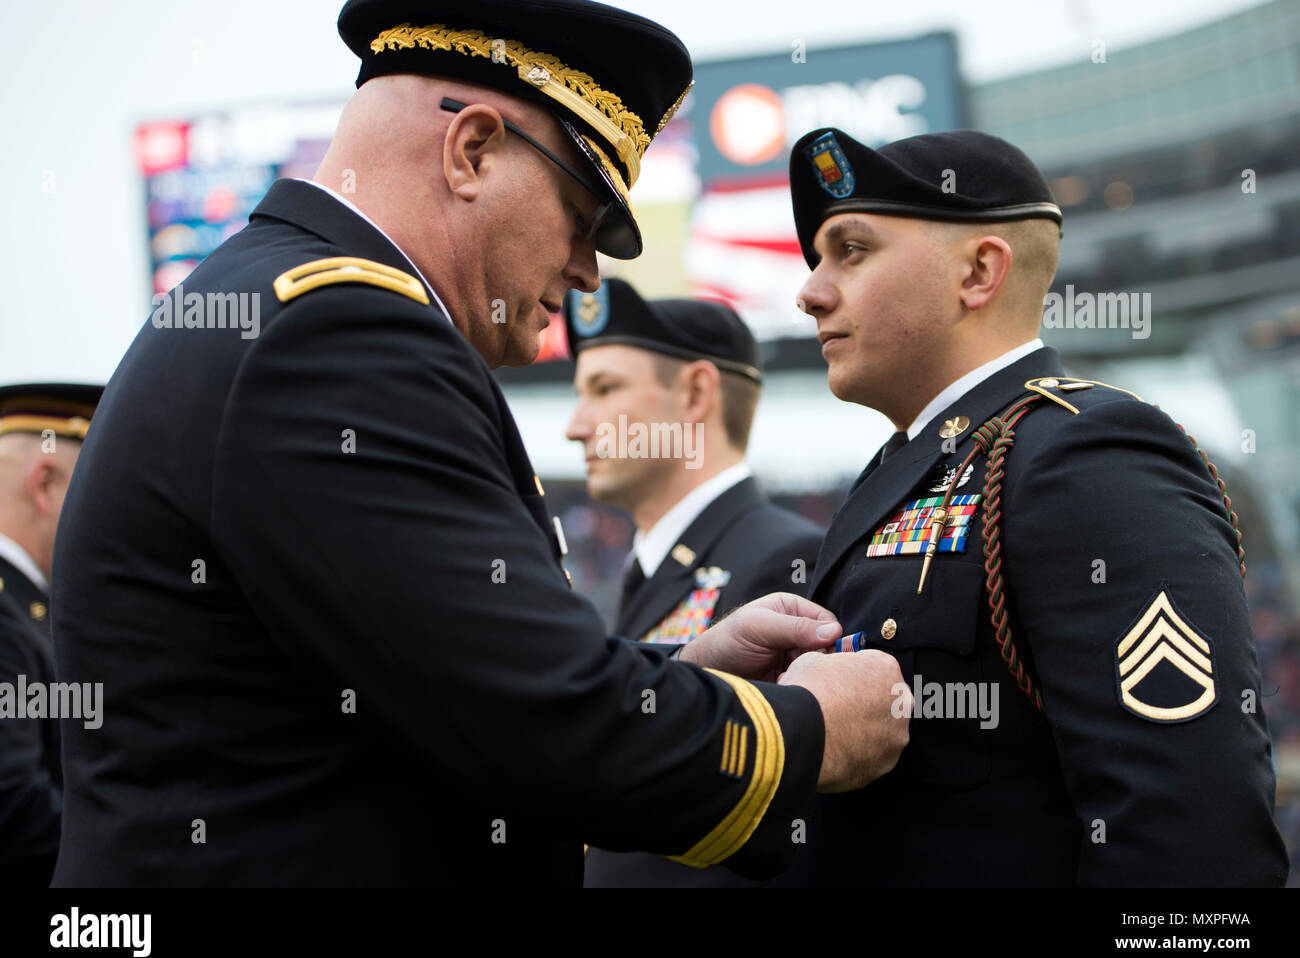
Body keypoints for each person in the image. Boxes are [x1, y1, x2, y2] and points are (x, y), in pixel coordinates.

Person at [50, 0, 909, 887]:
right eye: (580, 216)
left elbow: (441, 678)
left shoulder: (272, 304)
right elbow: (550, 729)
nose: (587, 273)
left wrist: (682, 670)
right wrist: (810, 728)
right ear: (473, 152)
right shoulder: (339, 331)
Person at [780, 126, 1290, 886]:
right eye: (819, 258)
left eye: (851, 250)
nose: (811, 289)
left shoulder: (1086, 456)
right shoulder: (904, 469)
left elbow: (1190, 835)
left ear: (979, 271)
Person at [563, 278, 824, 887]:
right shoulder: (647, 567)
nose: (576, 426)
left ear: (695, 392)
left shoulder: (781, 559)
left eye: (604, 388)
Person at [0, 383, 101, 886]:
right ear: (43, 485)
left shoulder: (25, 605)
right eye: (91, 491)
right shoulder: (7, 615)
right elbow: (13, 809)